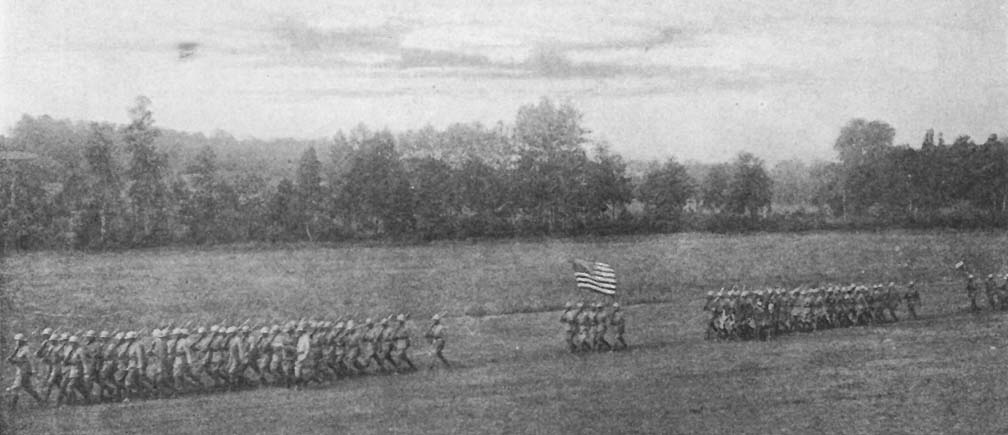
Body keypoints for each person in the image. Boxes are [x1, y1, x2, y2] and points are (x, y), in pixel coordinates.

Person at [5, 333, 44, 410]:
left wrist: (12, 360)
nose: (17, 342)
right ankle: (40, 401)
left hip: (24, 371)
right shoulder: (18, 349)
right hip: (21, 371)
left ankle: (12, 407)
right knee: (28, 388)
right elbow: (17, 360)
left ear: (22, 341)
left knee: (16, 388)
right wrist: (11, 358)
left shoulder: (25, 349)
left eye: (18, 341)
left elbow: (23, 360)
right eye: (16, 341)